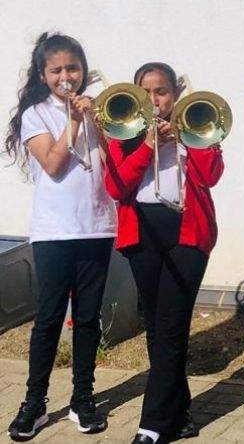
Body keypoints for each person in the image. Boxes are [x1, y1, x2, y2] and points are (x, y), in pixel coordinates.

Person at [103, 62, 224, 444]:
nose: (155, 100)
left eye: (162, 92)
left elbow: (211, 176)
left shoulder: (195, 126)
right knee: (157, 329)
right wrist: (148, 146)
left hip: (187, 234)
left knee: (170, 327)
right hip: (143, 235)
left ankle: (152, 425)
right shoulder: (124, 133)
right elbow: (116, 187)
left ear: (175, 94)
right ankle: (180, 414)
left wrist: (185, 141)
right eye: (148, 92)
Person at [4, 33, 115, 441]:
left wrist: (96, 120)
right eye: (57, 70)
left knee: (87, 318)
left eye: (73, 68)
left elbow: (116, 156)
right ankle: (34, 403)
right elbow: (52, 164)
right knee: (49, 319)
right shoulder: (38, 113)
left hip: (97, 226)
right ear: (43, 74)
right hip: (54, 232)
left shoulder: (99, 108)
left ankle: (82, 398)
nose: (66, 76)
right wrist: (72, 121)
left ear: (83, 69)